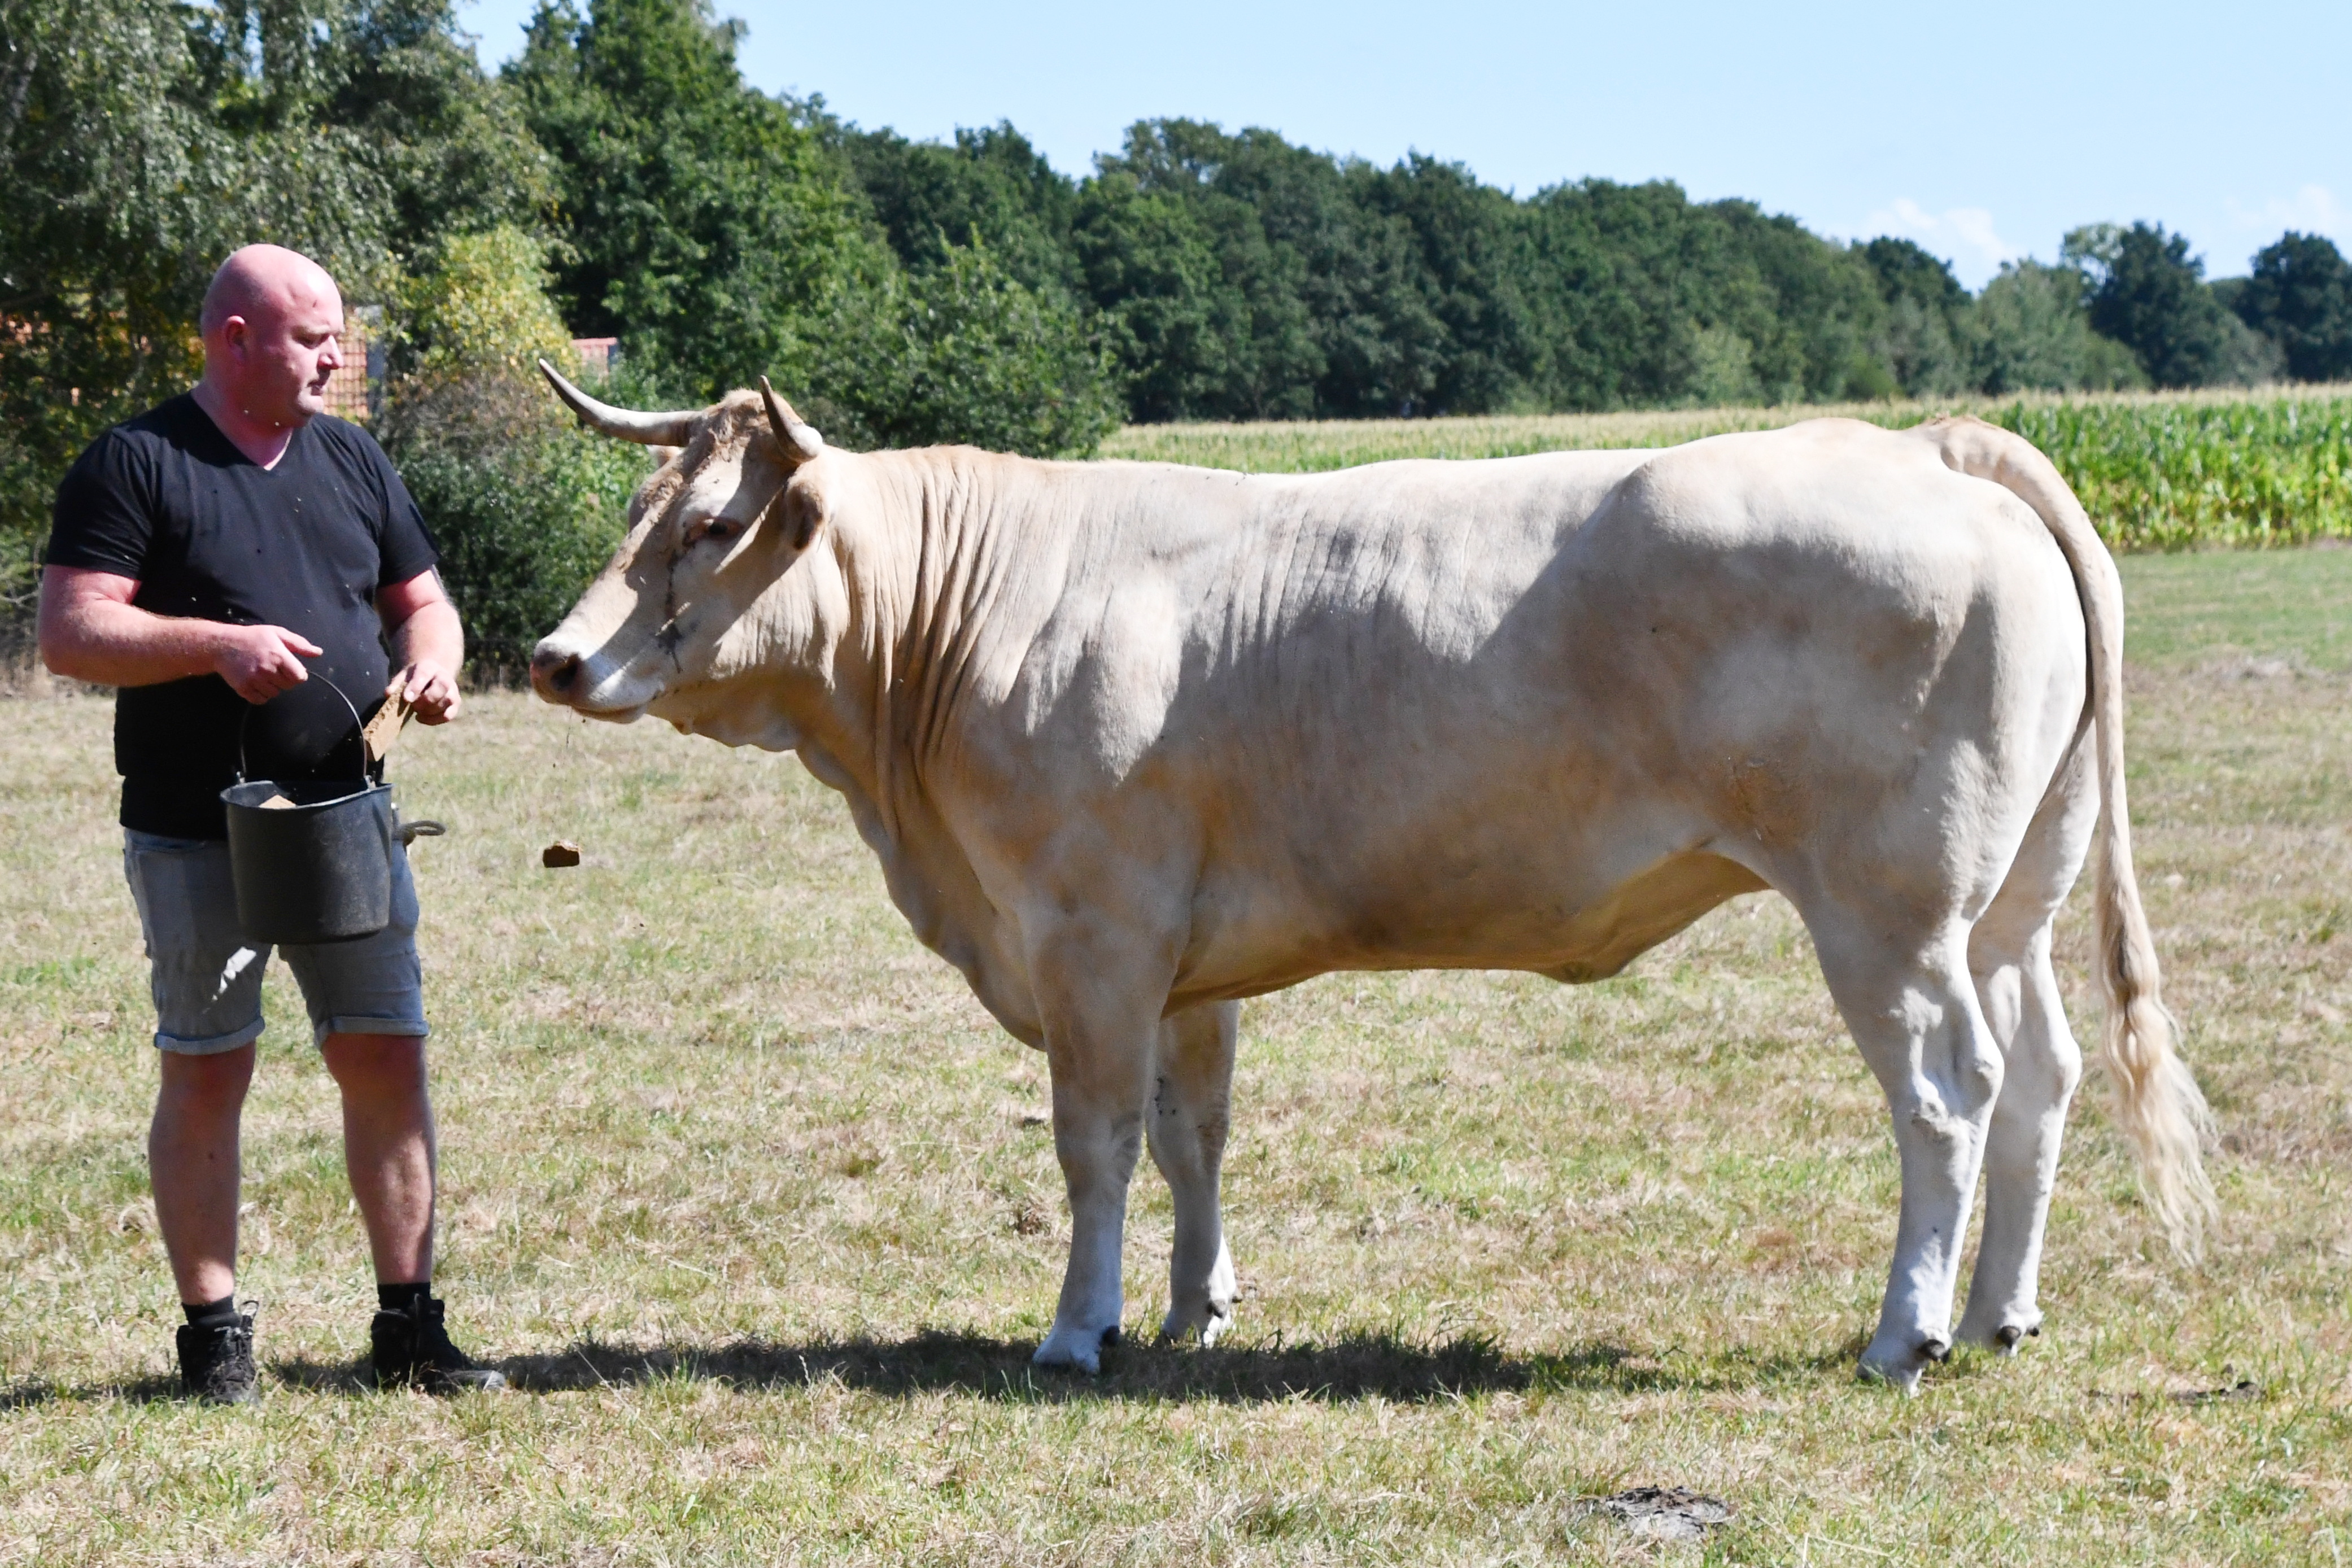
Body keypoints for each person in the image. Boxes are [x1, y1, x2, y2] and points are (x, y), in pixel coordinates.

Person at [37, 244, 501, 1402]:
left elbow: (423, 603)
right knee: (208, 1069)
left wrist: (432, 668)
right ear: (233, 340)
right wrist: (214, 645)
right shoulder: (136, 462)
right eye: (311, 339)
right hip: (200, 830)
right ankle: (214, 1344)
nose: (334, 358)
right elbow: (72, 630)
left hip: (350, 819)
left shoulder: (351, 456)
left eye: (337, 337)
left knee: (385, 1056)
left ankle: (409, 1329)